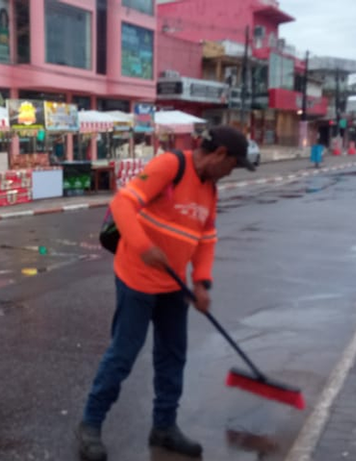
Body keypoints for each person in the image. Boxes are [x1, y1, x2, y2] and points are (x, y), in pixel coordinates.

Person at [77, 126, 255, 461]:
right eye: (233, 164)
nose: (231, 172)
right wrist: (144, 246)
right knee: (123, 355)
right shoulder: (171, 166)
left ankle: (164, 427)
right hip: (137, 278)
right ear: (219, 155)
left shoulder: (211, 189)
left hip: (174, 285)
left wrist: (202, 283)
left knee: (173, 357)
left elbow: (205, 239)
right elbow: (123, 204)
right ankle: (90, 424)